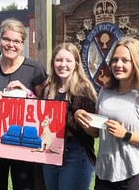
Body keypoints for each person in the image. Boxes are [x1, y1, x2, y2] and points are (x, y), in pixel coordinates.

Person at [74, 37, 139, 190]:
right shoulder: (105, 91)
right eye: (115, 60)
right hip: (104, 173)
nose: (118, 65)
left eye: (125, 60)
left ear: (136, 63)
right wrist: (83, 119)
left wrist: (125, 134)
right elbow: (96, 133)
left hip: (133, 175)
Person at [0, 18, 48, 190]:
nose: (11, 45)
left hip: (25, 141)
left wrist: (27, 94)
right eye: (6, 39)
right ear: (0, 40)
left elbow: (45, 108)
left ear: (23, 44)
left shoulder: (34, 69)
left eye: (16, 41)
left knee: (25, 186)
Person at [42, 42, 97, 190]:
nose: (62, 64)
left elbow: (95, 132)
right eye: (59, 60)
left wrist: (80, 120)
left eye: (68, 60)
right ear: (53, 62)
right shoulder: (49, 89)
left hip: (75, 151)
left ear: (76, 64)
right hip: (50, 150)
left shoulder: (83, 89)